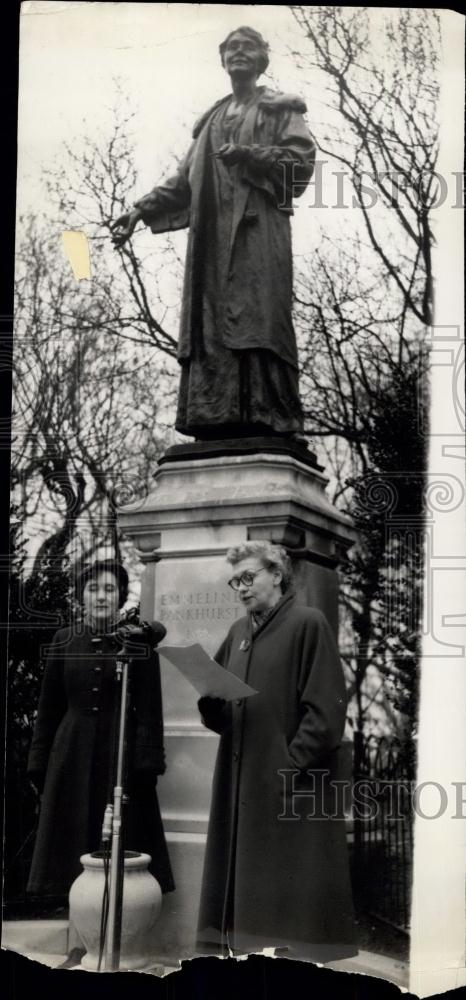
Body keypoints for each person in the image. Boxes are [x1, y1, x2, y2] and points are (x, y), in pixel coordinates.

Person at [111, 26, 316, 440]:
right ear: (222, 59)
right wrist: (140, 209)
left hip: (258, 234)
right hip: (211, 243)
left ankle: (266, 416)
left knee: (259, 320)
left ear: (261, 58)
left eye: (247, 47)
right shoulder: (212, 120)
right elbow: (184, 180)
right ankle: (216, 416)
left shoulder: (280, 110)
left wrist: (250, 155)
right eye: (231, 48)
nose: (238, 53)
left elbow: (301, 163)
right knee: (210, 325)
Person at [196, 541, 358, 962]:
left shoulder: (308, 623)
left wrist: (288, 765)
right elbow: (225, 716)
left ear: (277, 575)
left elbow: (326, 714)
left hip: (288, 787)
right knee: (245, 905)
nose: (241, 588)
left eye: (248, 578)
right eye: (235, 581)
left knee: (289, 914)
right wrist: (210, 702)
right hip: (240, 783)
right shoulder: (238, 632)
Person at [27, 559, 175, 918]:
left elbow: (150, 709)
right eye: (93, 589)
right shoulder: (63, 640)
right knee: (71, 846)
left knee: (120, 844)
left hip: (119, 756)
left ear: (120, 596)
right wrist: (39, 762)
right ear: (82, 596)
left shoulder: (137, 641)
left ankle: (116, 928)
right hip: (71, 755)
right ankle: (78, 928)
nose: (101, 596)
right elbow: (49, 708)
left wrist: (147, 762)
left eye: (109, 589)